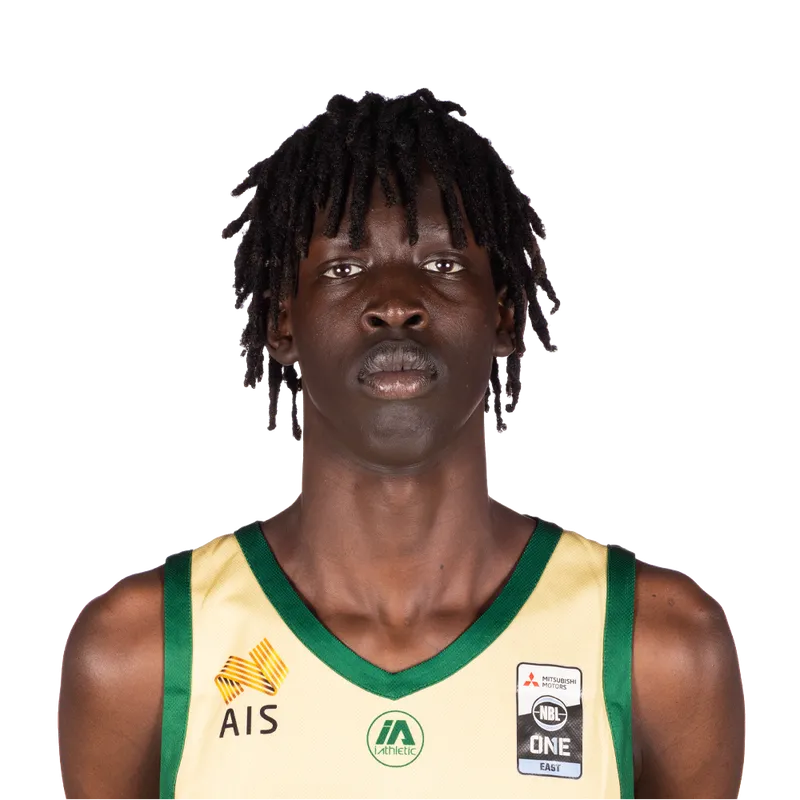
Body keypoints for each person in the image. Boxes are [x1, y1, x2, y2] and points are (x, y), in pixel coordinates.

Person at [57, 88, 745, 799]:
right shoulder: (146, 653)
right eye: (343, 269)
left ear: (504, 315)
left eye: (443, 266)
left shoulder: (652, 647)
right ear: (283, 322)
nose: (395, 304)